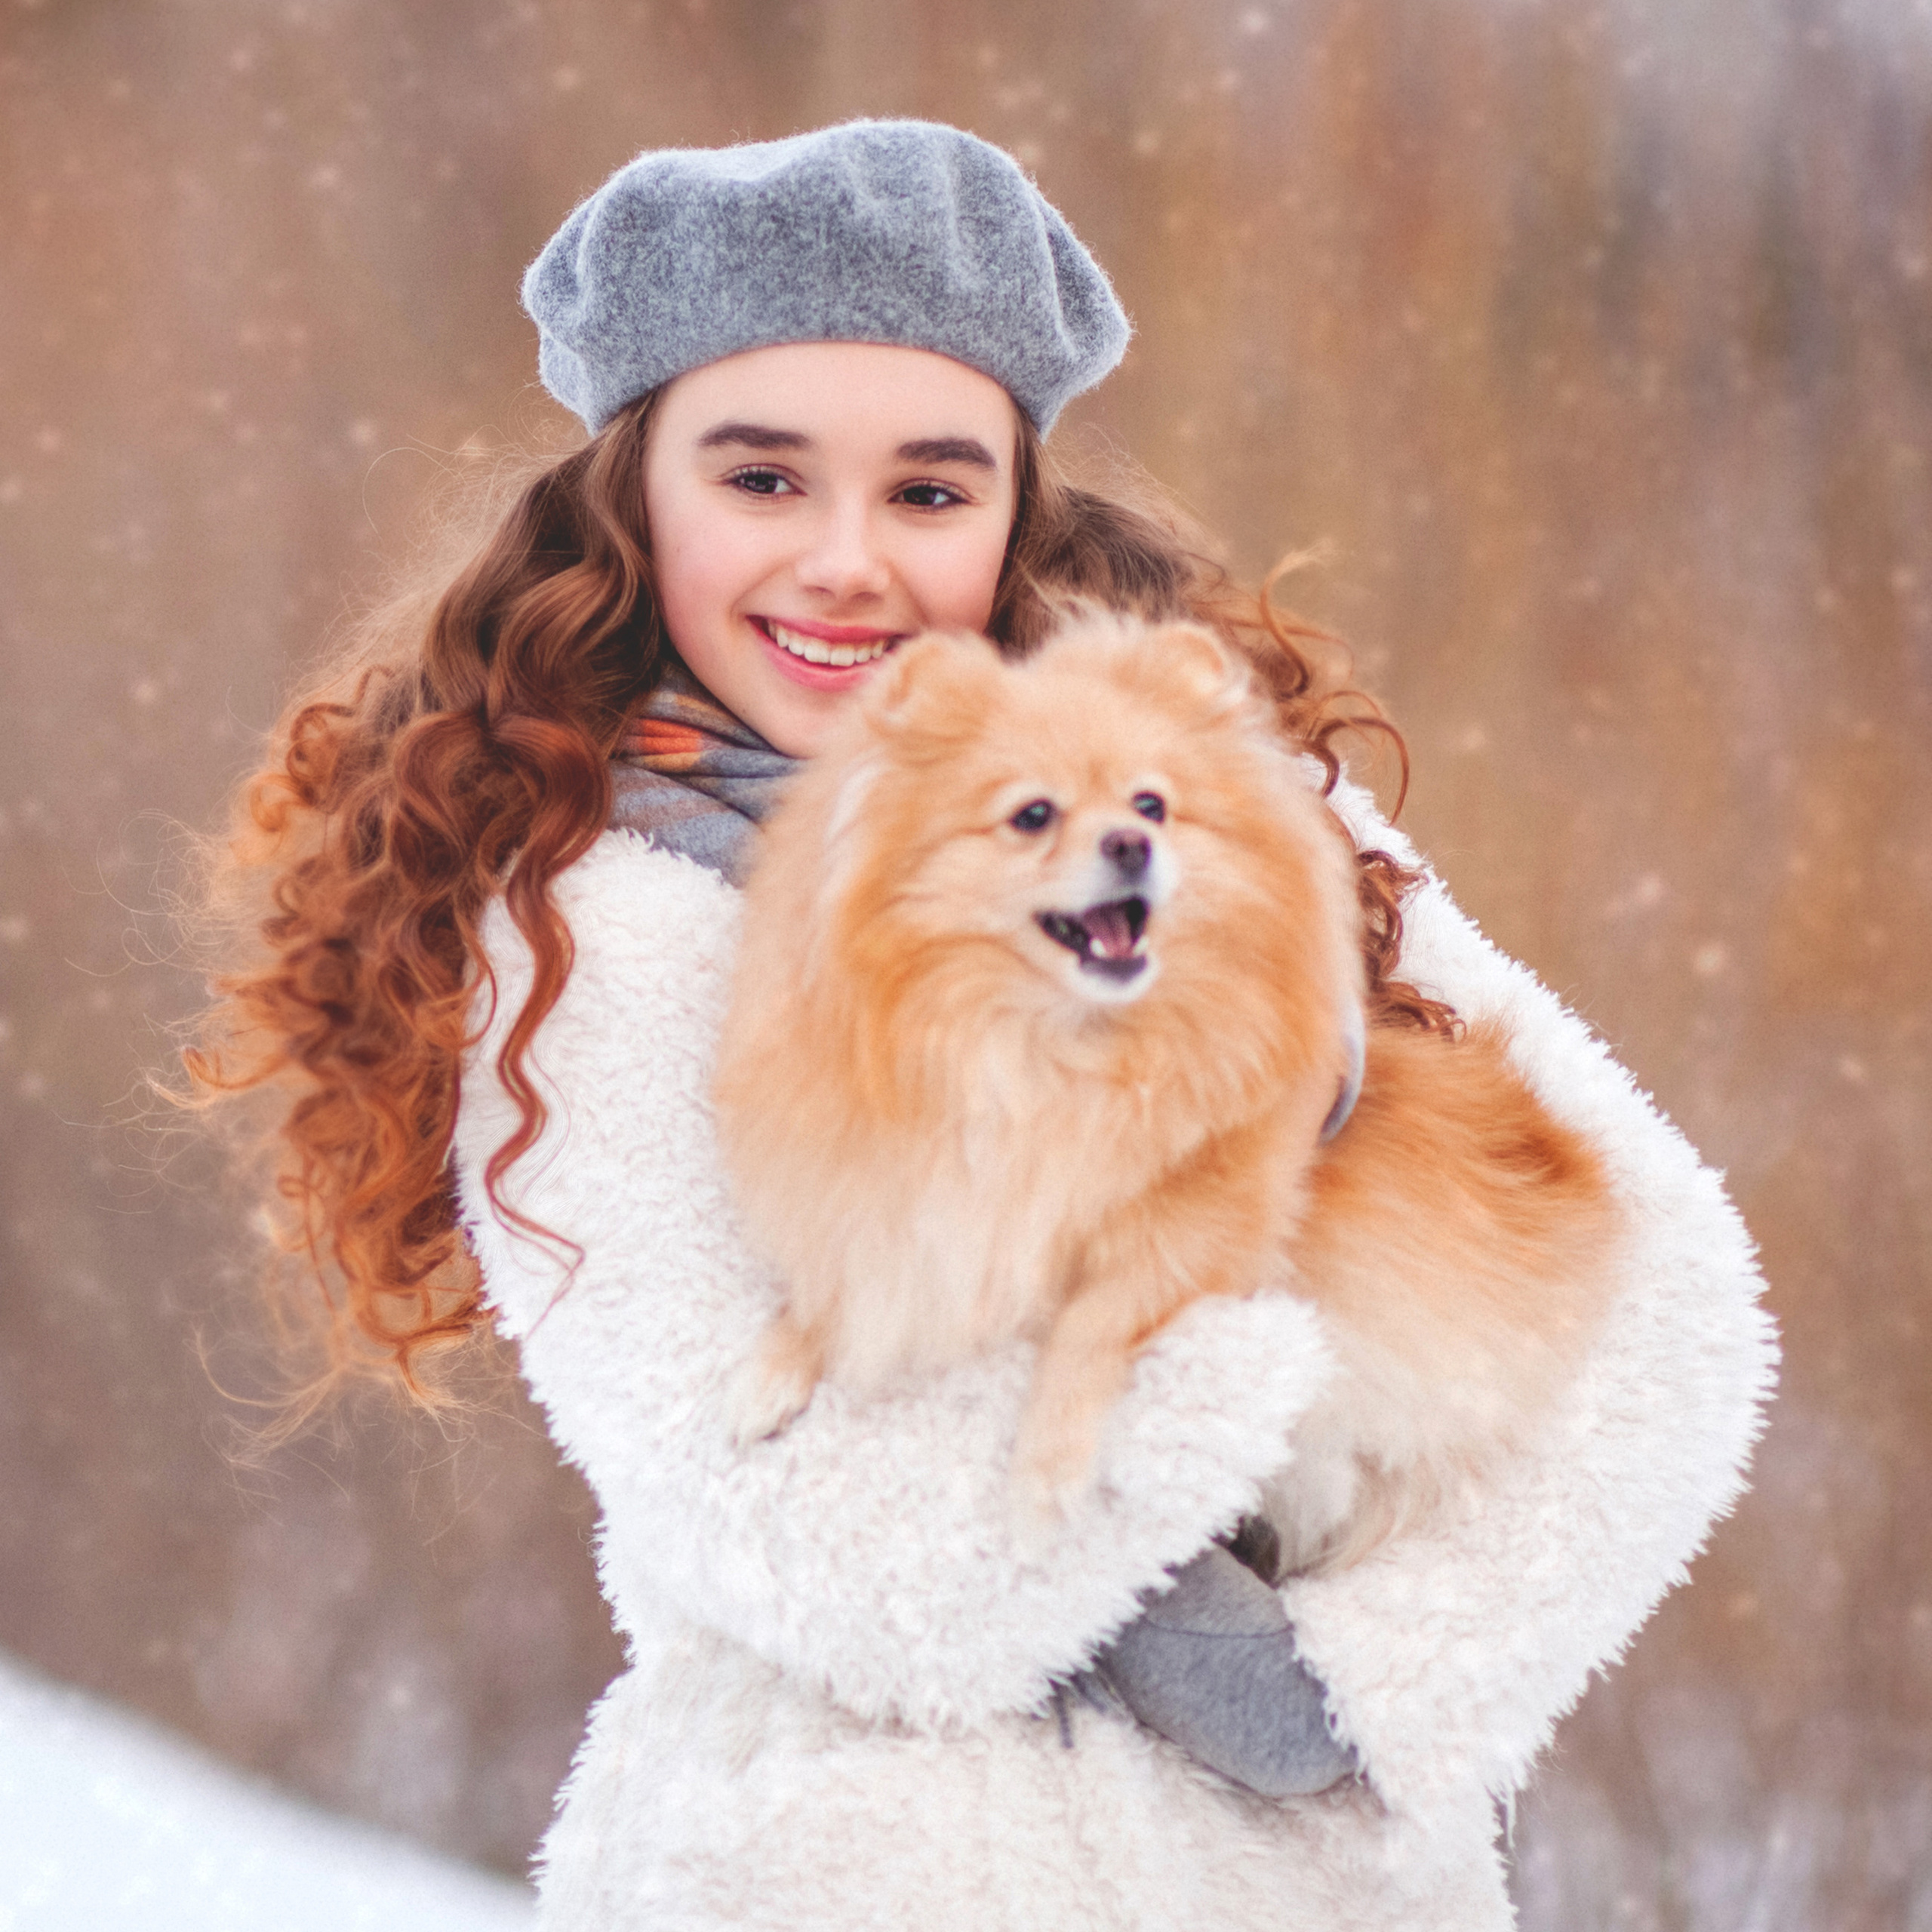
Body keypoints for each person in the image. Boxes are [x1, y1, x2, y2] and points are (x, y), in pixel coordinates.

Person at [192, 122, 1777, 1930]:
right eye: (763, 480)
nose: (847, 562)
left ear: (1015, 512)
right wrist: (1209, 1449)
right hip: (876, 1856)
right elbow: (804, 1513)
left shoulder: (1209, 808)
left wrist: (1387, 1678)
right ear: (633, 501)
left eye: (928, 493)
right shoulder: (590, 934)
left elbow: (1656, 1295)